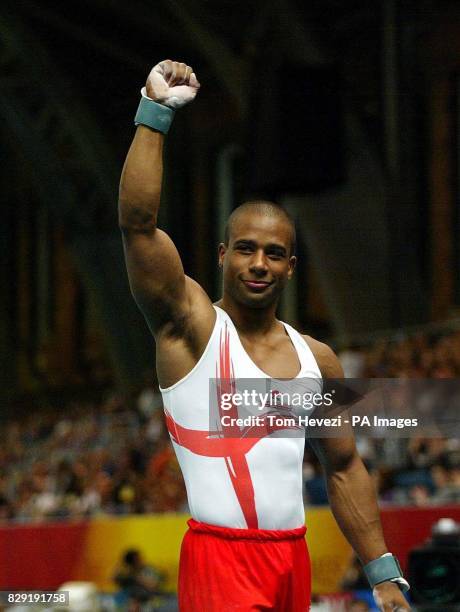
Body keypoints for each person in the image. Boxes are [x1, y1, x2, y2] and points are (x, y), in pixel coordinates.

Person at [119, 60, 411, 612]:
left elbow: (344, 467)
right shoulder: (192, 326)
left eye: (274, 253)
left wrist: (382, 572)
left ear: (291, 267)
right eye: (247, 249)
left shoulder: (317, 359)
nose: (259, 263)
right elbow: (137, 225)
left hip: (292, 561)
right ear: (224, 256)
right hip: (219, 558)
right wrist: (153, 113)